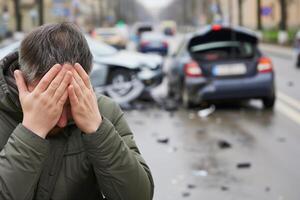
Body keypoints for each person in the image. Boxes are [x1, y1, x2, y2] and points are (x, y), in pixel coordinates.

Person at [0, 22, 154, 200]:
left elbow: (139, 196)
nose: (62, 121)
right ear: (21, 79)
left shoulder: (103, 111)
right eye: (49, 98)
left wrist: (98, 131)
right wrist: (31, 132)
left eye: (70, 103)